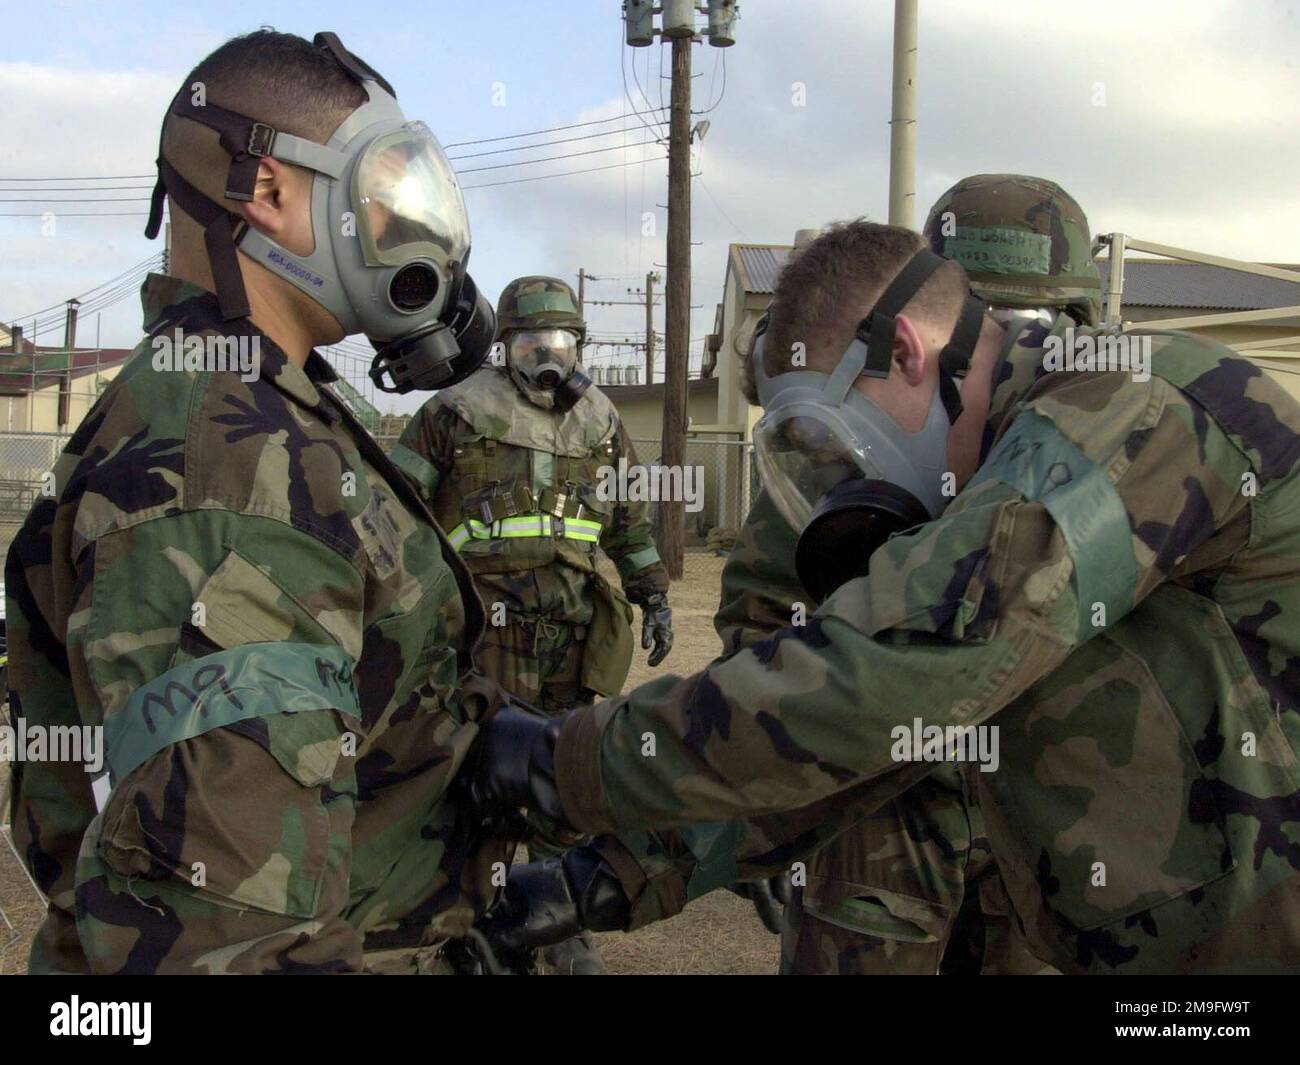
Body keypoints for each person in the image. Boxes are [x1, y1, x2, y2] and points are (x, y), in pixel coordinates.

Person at [471, 218, 1300, 975]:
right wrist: (600, 877)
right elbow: (888, 745)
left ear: (905, 350)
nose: (845, 477)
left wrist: (562, 761)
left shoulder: (1137, 404)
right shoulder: (975, 477)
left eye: (829, 438)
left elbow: (899, 671)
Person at [5, 29, 505, 974]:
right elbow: (229, 941)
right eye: (385, 199)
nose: (412, 234)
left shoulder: (270, 410)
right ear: (269, 193)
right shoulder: (225, 470)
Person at [719, 174, 1105, 975]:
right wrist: (767, 809)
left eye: (1037, 326)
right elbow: (761, 620)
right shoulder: (836, 456)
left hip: (1048, 844)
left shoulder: (1111, 455)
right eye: (987, 318)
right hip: (875, 837)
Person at [390, 275, 673, 973]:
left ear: (579, 347)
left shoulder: (601, 425)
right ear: (503, 347)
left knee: (566, 766)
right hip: (486, 625)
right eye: (531, 343)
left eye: (560, 343)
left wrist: (654, 595)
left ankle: (557, 920)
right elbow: (392, 512)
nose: (547, 357)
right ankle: (461, 919)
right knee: (472, 762)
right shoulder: (454, 413)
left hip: (571, 625)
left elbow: (630, 523)